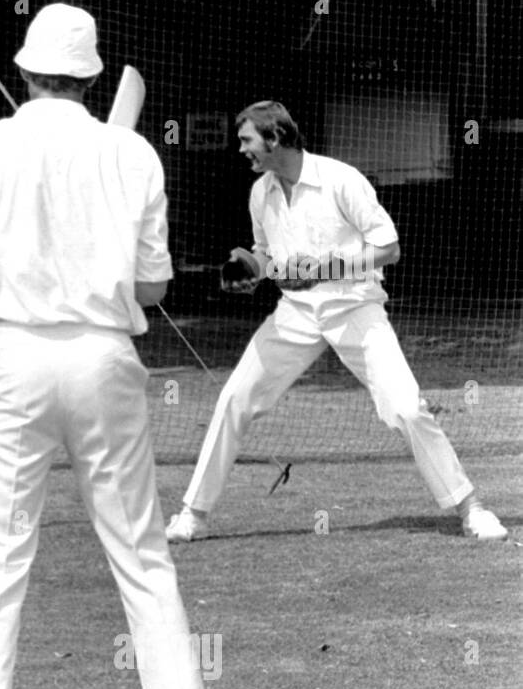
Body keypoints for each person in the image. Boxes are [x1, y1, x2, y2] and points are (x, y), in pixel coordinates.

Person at [0, 3, 227, 689]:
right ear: (89, 77)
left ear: (23, 71)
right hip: (103, 358)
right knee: (140, 549)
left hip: (13, 357)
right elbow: (154, 287)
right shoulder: (131, 155)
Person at [166, 101, 508, 544]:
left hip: (355, 309)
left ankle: (472, 509)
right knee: (234, 398)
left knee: (406, 408)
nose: (241, 150)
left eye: (247, 140)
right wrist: (251, 269)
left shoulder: (341, 179)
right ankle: (193, 514)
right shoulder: (261, 192)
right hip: (295, 314)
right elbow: (269, 255)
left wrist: (327, 268)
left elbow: (389, 249)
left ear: (275, 138)